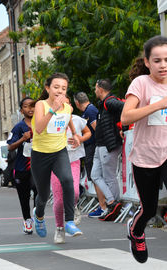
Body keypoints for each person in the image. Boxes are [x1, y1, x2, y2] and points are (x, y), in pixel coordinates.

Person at [121, 35, 167, 264]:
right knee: (148, 209)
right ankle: (136, 231)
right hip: (146, 156)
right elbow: (126, 116)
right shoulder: (141, 84)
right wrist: (158, 104)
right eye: (157, 60)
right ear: (148, 62)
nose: (163, 65)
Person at [31, 72, 81, 238]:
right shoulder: (41, 105)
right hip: (40, 154)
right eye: (56, 87)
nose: (60, 91)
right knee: (44, 195)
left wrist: (74, 133)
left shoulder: (68, 107)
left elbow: (68, 118)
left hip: (59, 151)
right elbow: (38, 128)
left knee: (68, 180)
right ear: (48, 88)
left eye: (64, 88)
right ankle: (38, 215)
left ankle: (69, 222)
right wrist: (53, 109)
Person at [51, 96, 91, 244]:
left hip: (73, 160)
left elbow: (88, 133)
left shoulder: (77, 119)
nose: (65, 106)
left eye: (67, 104)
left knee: (74, 192)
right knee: (59, 200)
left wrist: (80, 139)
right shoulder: (50, 119)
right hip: (54, 162)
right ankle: (60, 228)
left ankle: (73, 206)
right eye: (61, 104)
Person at [90, 79, 124, 221]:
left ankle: (114, 204)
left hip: (108, 145)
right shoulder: (104, 104)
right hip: (100, 145)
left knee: (109, 176)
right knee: (95, 175)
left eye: (96, 88)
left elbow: (126, 107)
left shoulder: (109, 101)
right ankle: (112, 202)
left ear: (101, 89)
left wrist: (123, 127)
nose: (95, 91)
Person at [7, 97, 38, 235]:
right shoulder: (19, 127)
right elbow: (10, 147)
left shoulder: (41, 124)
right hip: (22, 167)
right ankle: (27, 220)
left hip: (38, 166)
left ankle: (38, 215)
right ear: (21, 110)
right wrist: (23, 139)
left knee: (39, 192)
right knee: (24, 197)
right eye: (26, 106)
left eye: (32, 106)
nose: (30, 109)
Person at [74, 92, 106, 218]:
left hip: (92, 147)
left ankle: (103, 206)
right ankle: (103, 205)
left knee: (95, 176)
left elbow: (97, 128)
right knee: (94, 177)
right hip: (90, 147)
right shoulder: (89, 110)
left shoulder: (90, 111)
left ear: (77, 103)